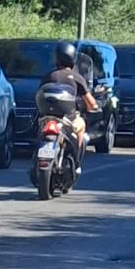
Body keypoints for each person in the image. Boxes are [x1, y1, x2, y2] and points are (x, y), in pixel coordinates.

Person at [36, 41, 100, 171]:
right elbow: (91, 103)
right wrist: (94, 107)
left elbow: (39, 95)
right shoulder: (77, 78)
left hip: (47, 117)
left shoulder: (49, 76)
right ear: (73, 58)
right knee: (81, 126)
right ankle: (76, 161)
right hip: (69, 119)